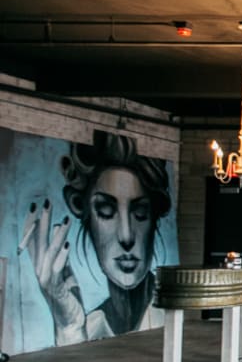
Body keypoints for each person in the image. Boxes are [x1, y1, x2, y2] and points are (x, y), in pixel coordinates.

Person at [21, 131, 171, 346]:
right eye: (106, 210)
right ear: (85, 214)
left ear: (154, 217)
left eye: (140, 212)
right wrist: (70, 328)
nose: (126, 236)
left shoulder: (174, 315)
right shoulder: (88, 328)